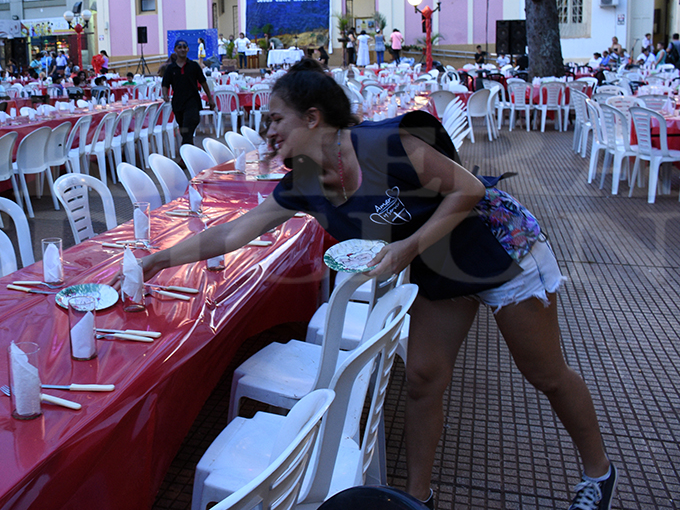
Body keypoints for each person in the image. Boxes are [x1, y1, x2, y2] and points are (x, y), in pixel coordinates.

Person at [130, 59, 616, 510]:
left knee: (546, 375)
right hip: (440, 262)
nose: (268, 130)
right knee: (425, 376)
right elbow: (235, 230)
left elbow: (468, 190)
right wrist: (158, 259)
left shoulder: (387, 144)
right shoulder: (303, 182)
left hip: (499, 245)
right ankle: (417, 499)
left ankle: (599, 475)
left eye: (277, 118)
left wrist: (405, 249)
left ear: (313, 117)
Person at [160, 40, 214, 146]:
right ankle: (190, 151)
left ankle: (184, 155)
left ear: (187, 49)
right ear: (175, 50)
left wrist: (210, 99)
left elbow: (203, 82)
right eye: (179, 47)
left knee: (189, 125)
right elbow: (165, 83)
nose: (182, 49)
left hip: (193, 102)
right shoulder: (171, 68)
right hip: (178, 104)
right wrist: (165, 94)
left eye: (184, 47)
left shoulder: (194, 66)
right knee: (184, 130)